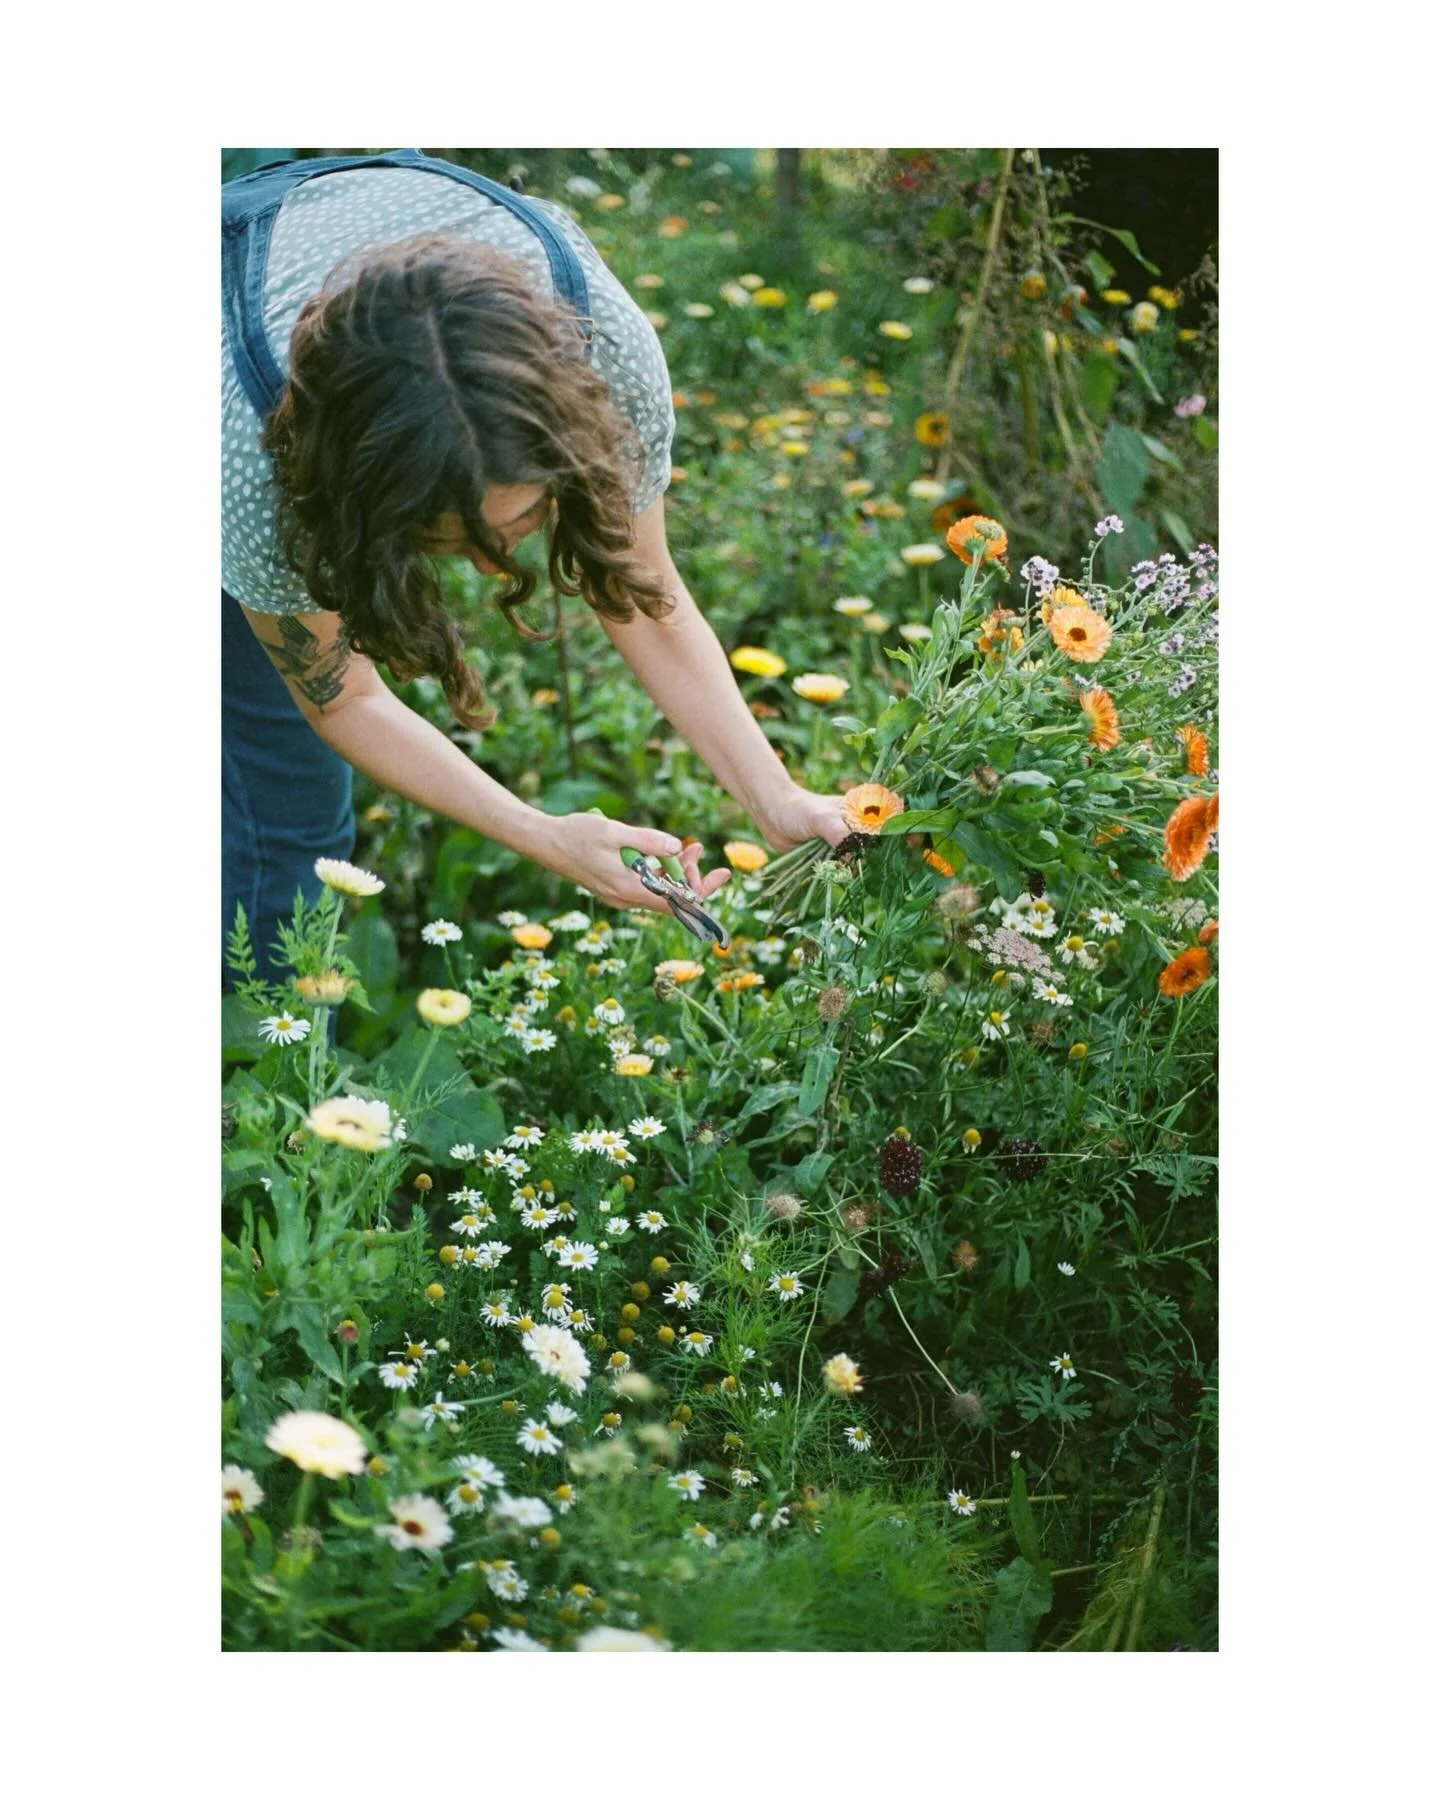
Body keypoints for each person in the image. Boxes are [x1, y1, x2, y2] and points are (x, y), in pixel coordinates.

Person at [222, 150, 850, 990]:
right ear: (357, 502)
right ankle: (263, 1082)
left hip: (343, 184)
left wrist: (775, 798)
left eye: (520, 520)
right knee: (285, 809)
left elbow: (647, 598)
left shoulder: (605, 360)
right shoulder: (253, 465)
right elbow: (347, 695)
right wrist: (536, 831)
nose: (494, 564)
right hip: (222, 290)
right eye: (443, 539)